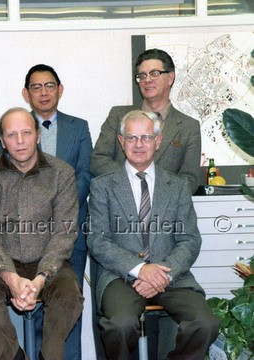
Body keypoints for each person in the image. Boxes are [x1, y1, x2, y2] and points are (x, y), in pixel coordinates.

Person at [87, 110, 219, 360]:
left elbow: (190, 239)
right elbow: (97, 240)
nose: (139, 144)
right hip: (121, 276)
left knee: (205, 323)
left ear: (158, 142)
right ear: (121, 141)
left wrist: (162, 274)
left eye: (146, 137)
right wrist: (139, 269)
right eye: (132, 137)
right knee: (120, 326)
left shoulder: (178, 186)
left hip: (172, 276)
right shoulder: (103, 186)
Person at [0, 107, 84, 360]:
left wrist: (41, 277)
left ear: (38, 136)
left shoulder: (61, 173)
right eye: (11, 135)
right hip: (3, 265)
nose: (20, 141)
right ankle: (12, 356)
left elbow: (64, 233)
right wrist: (11, 279)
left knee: (69, 294)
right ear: (2, 140)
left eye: (26, 133)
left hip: (50, 266)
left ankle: (48, 356)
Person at [22, 64, 92, 359]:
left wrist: (58, 209)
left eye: (49, 86)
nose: (44, 92)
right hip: (30, 238)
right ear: (26, 94)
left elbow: (86, 175)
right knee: (35, 306)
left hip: (71, 233)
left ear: (60, 89)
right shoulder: (19, 129)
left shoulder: (79, 127)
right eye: (36, 87)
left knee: (68, 304)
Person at [91, 48, 201, 194]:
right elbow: (98, 160)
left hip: (165, 210)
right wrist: (131, 181)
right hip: (120, 203)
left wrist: (156, 191)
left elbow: (190, 179)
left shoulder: (189, 126)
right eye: (142, 75)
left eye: (155, 73)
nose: (147, 80)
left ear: (170, 77)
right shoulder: (118, 115)